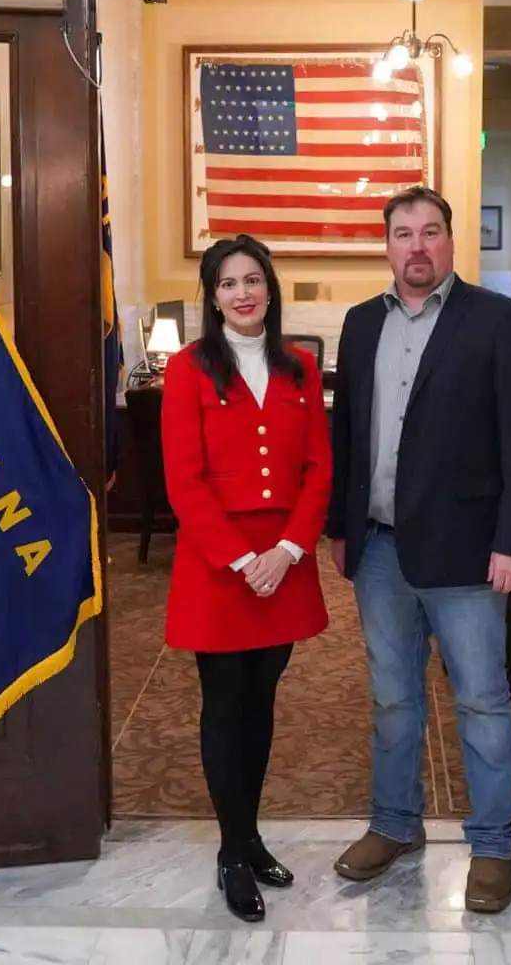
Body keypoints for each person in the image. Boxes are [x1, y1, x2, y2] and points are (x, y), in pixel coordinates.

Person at [326, 185, 511, 914]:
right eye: (401, 234)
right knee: (393, 699)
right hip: (381, 552)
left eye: (429, 232)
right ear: (386, 245)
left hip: (470, 554)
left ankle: (491, 846)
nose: (416, 246)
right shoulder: (360, 325)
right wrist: (340, 527)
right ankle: (395, 824)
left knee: (482, 702)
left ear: (452, 241)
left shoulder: (497, 321)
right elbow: (347, 438)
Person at [160, 235, 331, 924]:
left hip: (284, 561)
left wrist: (287, 550)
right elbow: (184, 481)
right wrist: (241, 559)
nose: (242, 293)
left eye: (252, 279)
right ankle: (231, 852)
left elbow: (319, 467)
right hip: (219, 564)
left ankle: (250, 835)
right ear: (212, 296)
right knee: (224, 705)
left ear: (270, 287)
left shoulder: (301, 368)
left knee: (263, 703)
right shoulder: (187, 369)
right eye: (227, 283)